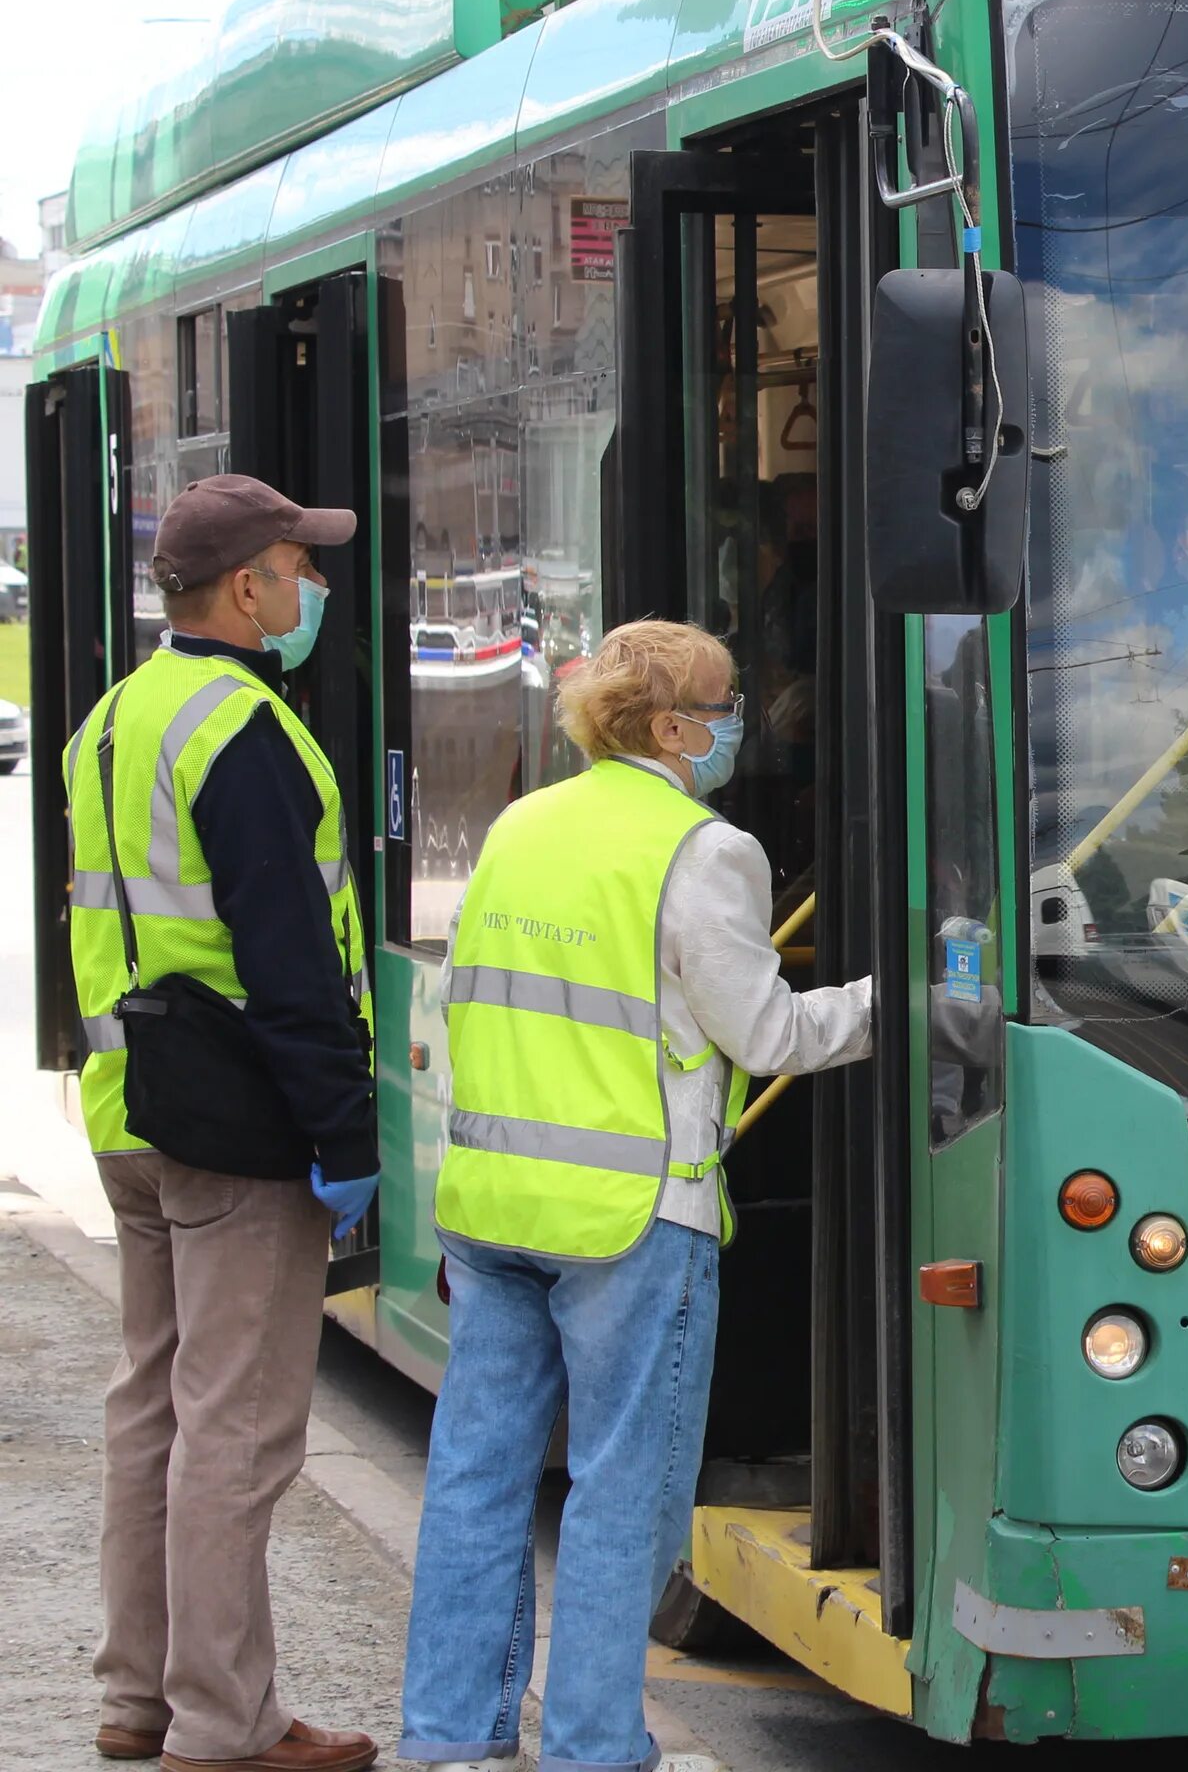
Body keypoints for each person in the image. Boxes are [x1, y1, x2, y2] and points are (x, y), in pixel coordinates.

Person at [397, 619, 875, 1772]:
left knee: (478, 1475)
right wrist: (895, 999)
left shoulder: (523, 824)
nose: (740, 714)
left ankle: (453, 1733)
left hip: (494, 1201)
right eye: (723, 699)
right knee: (625, 1494)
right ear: (669, 726)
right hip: (630, 1223)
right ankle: (596, 1746)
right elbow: (765, 1031)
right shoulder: (705, 849)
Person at [64, 474, 381, 1772]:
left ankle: (137, 1698)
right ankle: (223, 1724)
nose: (312, 590)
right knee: (237, 1438)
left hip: (129, 1105)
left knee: (154, 1412)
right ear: (244, 588)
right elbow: (289, 960)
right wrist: (347, 1135)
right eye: (298, 569)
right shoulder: (243, 731)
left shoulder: (116, 717)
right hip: (239, 1126)